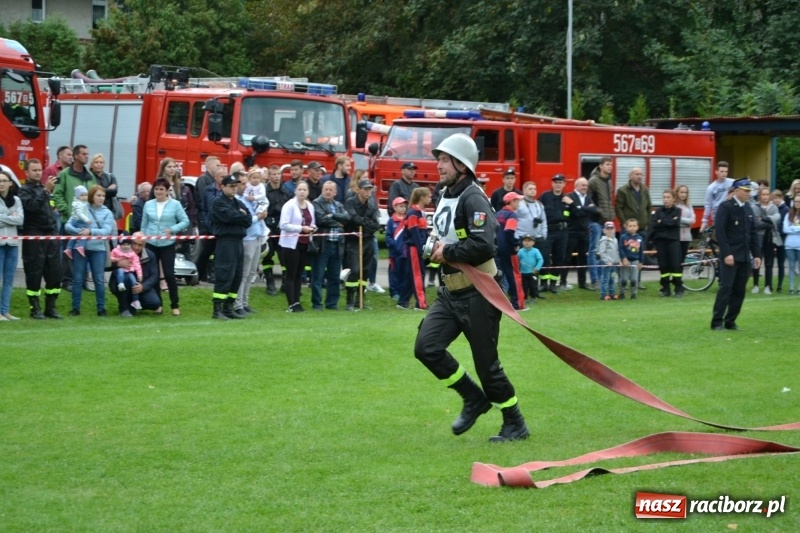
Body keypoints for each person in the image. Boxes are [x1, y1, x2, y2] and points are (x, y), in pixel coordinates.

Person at [414, 133, 528, 443]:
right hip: (451, 292)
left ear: (462, 165)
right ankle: (473, 398)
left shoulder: (473, 197)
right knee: (426, 347)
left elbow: (485, 245)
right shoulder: (445, 193)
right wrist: (436, 246)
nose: (439, 165)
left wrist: (446, 252)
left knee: (487, 366)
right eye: (439, 159)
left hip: (480, 292)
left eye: (444, 160)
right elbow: (447, 234)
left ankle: (514, 422)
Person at [711, 179, 762, 330]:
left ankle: (730, 320)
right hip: (730, 256)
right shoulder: (726, 207)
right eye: (745, 191)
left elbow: (752, 233)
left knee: (739, 290)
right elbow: (720, 232)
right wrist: (726, 253)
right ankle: (717, 321)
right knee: (726, 288)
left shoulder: (747, 208)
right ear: (736, 190)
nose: (748, 194)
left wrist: (757, 254)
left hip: (744, 256)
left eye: (749, 191)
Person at [18, 159, 64, 319]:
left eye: (39, 170)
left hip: (51, 236)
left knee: (54, 273)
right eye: (34, 170)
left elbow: (51, 211)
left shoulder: (44, 189)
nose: (38, 173)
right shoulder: (24, 191)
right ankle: (34, 308)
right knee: (34, 273)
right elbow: (31, 208)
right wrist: (46, 191)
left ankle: (50, 307)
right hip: (34, 238)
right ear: (27, 173)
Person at [141, 177, 190, 316]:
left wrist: (172, 229)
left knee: (169, 274)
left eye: (161, 189)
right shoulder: (148, 204)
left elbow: (185, 221)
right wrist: (143, 239)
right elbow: (144, 224)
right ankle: (158, 305)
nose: (158, 191)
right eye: (156, 189)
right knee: (154, 275)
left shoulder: (175, 204)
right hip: (151, 243)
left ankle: (175, 305)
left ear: (167, 190)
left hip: (167, 243)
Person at [65, 185, 115, 316]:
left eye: (103, 196)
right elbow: (68, 225)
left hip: (98, 249)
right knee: (77, 279)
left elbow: (107, 231)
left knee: (98, 279)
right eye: (98, 195)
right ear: (92, 196)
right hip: (80, 249)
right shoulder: (81, 208)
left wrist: (90, 231)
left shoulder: (107, 213)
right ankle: (75, 308)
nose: (101, 198)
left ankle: (101, 309)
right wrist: (80, 232)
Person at [210, 175, 253, 319]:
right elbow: (229, 216)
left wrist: (240, 216)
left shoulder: (238, 202)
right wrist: (240, 215)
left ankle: (228, 308)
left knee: (236, 276)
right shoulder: (218, 202)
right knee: (225, 274)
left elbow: (248, 220)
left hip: (238, 241)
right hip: (226, 242)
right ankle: (217, 309)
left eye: (236, 186)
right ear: (223, 187)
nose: (234, 189)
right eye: (231, 186)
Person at [342, 178, 380, 310]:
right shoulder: (351, 202)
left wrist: (364, 223)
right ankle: (350, 301)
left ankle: (360, 300)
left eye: (370, 189)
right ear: (359, 190)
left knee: (365, 271)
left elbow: (376, 224)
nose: (368, 192)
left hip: (368, 239)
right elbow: (352, 218)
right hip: (354, 240)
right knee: (355, 270)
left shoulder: (372, 203)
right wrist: (366, 222)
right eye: (366, 189)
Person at [279, 181, 317, 312]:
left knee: (299, 274)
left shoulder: (310, 206)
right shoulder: (289, 205)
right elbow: (283, 225)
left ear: (308, 192)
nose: (302, 192)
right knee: (291, 273)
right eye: (299, 189)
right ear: (295, 191)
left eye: (304, 190)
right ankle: (291, 304)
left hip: (304, 243)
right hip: (290, 244)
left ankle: (297, 302)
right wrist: (301, 228)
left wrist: (312, 228)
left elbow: (312, 222)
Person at [234, 171, 268, 315]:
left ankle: (245, 302)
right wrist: (258, 217)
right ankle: (238, 304)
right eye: (242, 183)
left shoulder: (248, 198)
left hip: (256, 237)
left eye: (244, 183)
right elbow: (245, 219)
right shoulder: (237, 200)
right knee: (243, 273)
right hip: (247, 238)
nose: (245, 186)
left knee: (251, 272)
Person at [311, 180, 348, 310]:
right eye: (325, 189)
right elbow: (321, 219)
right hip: (323, 244)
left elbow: (347, 218)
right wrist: (338, 223)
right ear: (322, 190)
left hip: (338, 244)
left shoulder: (339, 205)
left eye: (330, 190)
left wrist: (332, 216)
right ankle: (317, 303)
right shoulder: (316, 203)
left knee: (334, 276)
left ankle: (332, 303)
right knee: (318, 275)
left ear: (335, 192)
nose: (328, 192)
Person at [108, 231, 162, 317]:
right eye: (134, 244)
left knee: (155, 303)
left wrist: (143, 287)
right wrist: (117, 264)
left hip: (141, 285)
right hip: (121, 283)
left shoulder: (150, 255)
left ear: (144, 245)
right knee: (125, 278)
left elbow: (154, 276)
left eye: (140, 245)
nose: (136, 247)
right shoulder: (119, 250)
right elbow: (106, 266)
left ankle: (133, 304)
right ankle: (124, 308)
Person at [561, 177, 599, 290]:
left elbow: (594, 210)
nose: (585, 187)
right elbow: (574, 213)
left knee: (583, 258)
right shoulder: (569, 196)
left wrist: (576, 206)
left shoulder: (588, 198)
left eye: (586, 185)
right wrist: (584, 210)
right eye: (583, 185)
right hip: (571, 232)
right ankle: (563, 282)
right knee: (567, 257)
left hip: (584, 232)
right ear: (576, 186)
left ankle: (582, 283)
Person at [400, 187, 432, 310]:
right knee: (418, 275)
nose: (430, 198)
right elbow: (415, 234)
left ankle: (402, 301)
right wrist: (422, 250)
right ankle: (421, 303)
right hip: (414, 248)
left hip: (417, 248)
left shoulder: (419, 212)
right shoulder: (413, 213)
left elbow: (423, 233)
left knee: (411, 276)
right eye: (428, 196)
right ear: (422, 198)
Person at [538, 173, 571, 293]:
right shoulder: (544, 196)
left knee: (559, 257)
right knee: (544, 256)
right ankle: (543, 283)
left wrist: (572, 204)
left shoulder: (567, 199)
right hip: (548, 231)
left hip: (562, 232)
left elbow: (575, 215)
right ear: (552, 184)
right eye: (556, 182)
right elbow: (538, 210)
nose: (558, 184)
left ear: (564, 184)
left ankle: (552, 284)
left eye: (560, 182)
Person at [262, 165, 290, 295]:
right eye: (273, 174)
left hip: (282, 228)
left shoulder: (286, 192)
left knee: (284, 256)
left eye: (278, 174)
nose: (276, 176)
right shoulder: (264, 192)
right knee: (268, 255)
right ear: (268, 175)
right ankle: (270, 283)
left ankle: (285, 283)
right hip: (267, 227)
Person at [650, 189, 684, 298]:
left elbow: (675, 223)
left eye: (668, 197)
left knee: (675, 265)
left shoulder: (677, 211)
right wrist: (668, 221)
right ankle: (665, 288)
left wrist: (662, 221)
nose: (666, 200)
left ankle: (678, 288)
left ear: (673, 199)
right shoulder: (658, 211)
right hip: (660, 241)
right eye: (664, 197)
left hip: (673, 241)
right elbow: (655, 225)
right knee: (663, 265)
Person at [587, 156, 615, 288]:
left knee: (606, 250)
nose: (610, 167)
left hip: (607, 221)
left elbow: (608, 200)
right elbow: (588, 200)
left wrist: (611, 214)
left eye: (611, 164)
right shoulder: (593, 181)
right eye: (608, 164)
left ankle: (605, 277)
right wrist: (597, 211)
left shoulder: (609, 181)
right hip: (596, 220)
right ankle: (595, 279)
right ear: (601, 166)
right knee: (594, 251)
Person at [496, 191, 527, 311]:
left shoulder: (497, 214)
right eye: (517, 201)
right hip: (508, 250)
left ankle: (497, 303)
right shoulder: (511, 215)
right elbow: (509, 231)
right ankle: (517, 304)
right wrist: (516, 244)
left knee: (497, 276)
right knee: (513, 276)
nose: (519, 203)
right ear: (512, 202)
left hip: (496, 249)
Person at [0, 169, 23, 321]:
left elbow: (20, 220)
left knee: (9, 279)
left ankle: (5, 311)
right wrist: (10, 217)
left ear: (10, 183)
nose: (1, 184)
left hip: (13, 244)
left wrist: (3, 218)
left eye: (4, 181)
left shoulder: (16, 200)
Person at [197, 165, 226, 283]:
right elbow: (203, 208)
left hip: (222, 227)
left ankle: (215, 275)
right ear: (215, 177)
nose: (224, 178)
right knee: (205, 252)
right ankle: (199, 274)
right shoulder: (208, 190)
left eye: (225, 176)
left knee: (219, 253)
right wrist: (205, 221)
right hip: (209, 227)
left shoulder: (226, 190)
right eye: (221, 176)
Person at [750, 186, 780, 294]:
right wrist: (769, 223)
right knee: (757, 261)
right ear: (759, 196)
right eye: (763, 194)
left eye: (767, 194)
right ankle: (756, 285)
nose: (765, 196)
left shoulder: (774, 208)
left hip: (770, 238)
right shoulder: (754, 207)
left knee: (769, 263)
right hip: (758, 238)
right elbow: (755, 224)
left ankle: (768, 286)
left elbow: (776, 220)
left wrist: (763, 219)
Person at [109, 233, 143, 311]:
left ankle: (135, 300)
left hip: (129, 271)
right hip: (118, 273)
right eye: (124, 244)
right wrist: (117, 262)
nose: (126, 246)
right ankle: (120, 284)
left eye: (128, 244)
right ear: (120, 244)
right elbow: (110, 259)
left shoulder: (133, 254)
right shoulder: (115, 250)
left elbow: (137, 264)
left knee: (134, 282)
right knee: (121, 272)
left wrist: (139, 275)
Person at [515, 182, 547, 263]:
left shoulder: (539, 204)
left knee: (537, 262)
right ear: (524, 191)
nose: (533, 191)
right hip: (523, 238)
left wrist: (544, 235)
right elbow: (513, 221)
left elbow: (544, 221)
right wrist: (516, 237)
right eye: (530, 189)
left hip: (537, 238)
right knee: (523, 263)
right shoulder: (519, 204)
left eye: (534, 189)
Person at [385, 196, 408, 301]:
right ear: (395, 207)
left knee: (404, 272)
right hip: (395, 253)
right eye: (400, 206)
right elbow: (388, 236)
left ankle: (402, 291)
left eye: (404, 206)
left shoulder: (407, 220)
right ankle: (394, 292)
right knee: (394, 273)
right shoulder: (391, 221)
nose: (403, 208)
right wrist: (394, 245)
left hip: (405, 252)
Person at [700, 161, 733, 232]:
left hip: (730, 214)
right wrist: (704, 222)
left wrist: (732, 192)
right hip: (717, 215)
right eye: (722, 171)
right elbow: (708, 205)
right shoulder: (711, 187)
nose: (724, 173)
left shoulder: (732, 182)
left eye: (726, 171)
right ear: (716, 172)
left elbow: (746, 185)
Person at [618, 218, 644, 299]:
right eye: (630, 226)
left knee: (634, 279)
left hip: (635, 261)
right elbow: (621, 248)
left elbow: (641, 250)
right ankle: (621, 292)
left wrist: (641, 262)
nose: (632, 227)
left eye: (634, 226)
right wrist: (623, 258)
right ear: (626, 227)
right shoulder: (623, 237)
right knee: (624, 279)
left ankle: (633, 294)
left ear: (637, 227)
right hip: (626, 261)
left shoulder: (639, 238)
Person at [88, 153, 120, 218]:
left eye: (101, 162)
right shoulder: (88, 177)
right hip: (93, 212)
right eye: (96, 162)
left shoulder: (111, 176)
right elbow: (91, 192)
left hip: (109, 211)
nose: (99, 164)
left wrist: (99, 190)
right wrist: (108, 189)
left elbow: (114, 192)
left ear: (104, 164)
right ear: (92, 164)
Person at [63, 185, 91, 259]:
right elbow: (80, 214)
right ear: (78, 196)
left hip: (75, 220)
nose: (84, 197)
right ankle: (81, 246)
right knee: (84, 231)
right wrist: (86, 220)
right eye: (82, 195)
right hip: (79, 221)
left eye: (86, 195)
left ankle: (68, 249)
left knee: (75, 235)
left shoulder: (81, 203)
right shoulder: (79, 204)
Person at [597, 221, 621, 300]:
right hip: (607, 265)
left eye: (611, 229)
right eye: (608, 229)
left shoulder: (615, 240)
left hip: (614, 264)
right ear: (604, 231)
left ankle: (612, 293)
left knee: (612, 279)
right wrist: (607, 262)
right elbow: (602, 252)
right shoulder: (603, 240)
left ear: (614, 230)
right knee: (605, 279)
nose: (610, 230)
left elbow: (617, 251)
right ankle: (603, 294)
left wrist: (618, 261)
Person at [517, 235, 543, 304]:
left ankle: (533, 297)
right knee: (524, 286)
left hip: (533, 273)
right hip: (523, 273)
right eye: (525, 241)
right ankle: (524, 298)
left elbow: (540, 260)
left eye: (529, 241)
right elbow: (517, 260)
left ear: (533, 243)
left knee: (533, 286)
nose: (527, 243)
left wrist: (537, 268)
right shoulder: (520, 251)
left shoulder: (536, 251)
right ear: (522, 242)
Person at [771, 189, 788, 293]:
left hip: (782, 239)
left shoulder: (785, 209)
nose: (776, 200)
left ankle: (780, 286)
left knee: (781, 264)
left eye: (778, 198)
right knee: (771, 263)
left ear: (781, 198)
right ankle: (770, 285)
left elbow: (783, 225)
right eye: (774, 198)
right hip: (772, 239)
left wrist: (778, 233)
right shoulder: (772, 208)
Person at [783, 195, 800, 295]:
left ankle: (799, 288)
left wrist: (792, 228)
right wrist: (796, 229)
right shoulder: (789, 214)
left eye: (799, 201)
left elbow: (789, 229)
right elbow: (785, 229)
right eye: (796, 201)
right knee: (791, 266)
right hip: (789, 244)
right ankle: (791, 288)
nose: (797, 203)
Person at [675, 184, 696, 263]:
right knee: (676, 260)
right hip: (676, 236)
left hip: (686, 237)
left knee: (682, 260)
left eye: (685, 192)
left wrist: (683, 221)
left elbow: (693, 220)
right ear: (677, 193)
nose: (683, 194)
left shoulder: (689, 205)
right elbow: (675, 220)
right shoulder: (675, 205)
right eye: (681, 192)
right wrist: (687, 222)